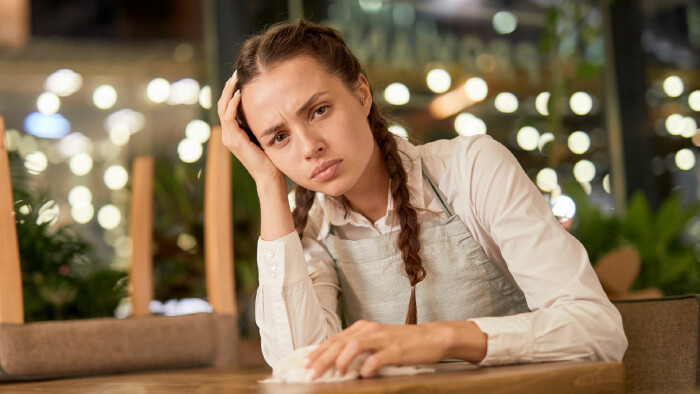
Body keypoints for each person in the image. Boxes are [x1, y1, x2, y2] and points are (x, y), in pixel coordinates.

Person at [217, 19, 627, 380]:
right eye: (279, 138)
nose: (309, 147)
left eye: (319, 110)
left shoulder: (471, 170)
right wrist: (268, 184)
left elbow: (598, 330)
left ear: (361, 93)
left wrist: (440, 338)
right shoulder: (313, 227)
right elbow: (299, 366)